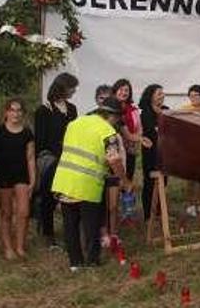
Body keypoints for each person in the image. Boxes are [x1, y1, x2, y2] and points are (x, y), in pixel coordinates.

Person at [52, 97, 128, 271]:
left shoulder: (75, 123)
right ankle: (92, 260)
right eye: (117, 119)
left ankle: (75, 263)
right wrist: (125, 180)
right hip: (88, 183)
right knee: (91, 224)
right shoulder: (108, 131)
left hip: (65, 180)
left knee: (70, 224)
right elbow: (115, 160)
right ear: (113, 116)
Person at [34, 73, 79, 248]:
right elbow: (41, 140)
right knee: (48, 197)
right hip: (51, 159)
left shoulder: (72, 109)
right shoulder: (44, 110)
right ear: (62, 87)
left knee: (68, 196)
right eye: (71, 87)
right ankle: (48, 233)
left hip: (69, 157)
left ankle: (70, 231)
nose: (74, 91)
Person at [0, 99, 35, 260]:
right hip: (3, 175)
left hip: (22, 175)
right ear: (6, 112)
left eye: (19, 110)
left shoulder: (27, 133)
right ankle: (8, 247)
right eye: (12, 110)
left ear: (22, 113)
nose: (15, 113)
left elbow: (30, 158)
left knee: (23, 212)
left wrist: (33, 179)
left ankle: (20, 246)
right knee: (6, 213)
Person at [107, 79, 140, 239]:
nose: (124, 92)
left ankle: (126, 215)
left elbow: (135, 130)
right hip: (112, 154)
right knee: (116, 183)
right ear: (115, 91)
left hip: (129, 152)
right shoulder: (108, 110)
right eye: (121, 89)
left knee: (126, 182)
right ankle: (110, 223)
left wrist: (139, 139)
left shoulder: (132, 110)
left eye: (127, 90)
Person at [178, 85, 200, 215]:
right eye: (191, 96)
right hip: (190, 148)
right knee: (191, 178)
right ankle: (190, 204)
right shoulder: (184, 110)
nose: (193, 98)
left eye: (196, 95)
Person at [138, 84, 165, 224]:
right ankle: (148, 214)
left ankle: (161, 212)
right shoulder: (146, 112)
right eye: (159, 93)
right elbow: (151, 131)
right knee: (150, 182)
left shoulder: (166, 110)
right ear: (151, 96)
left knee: (163, 182)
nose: (162, 96)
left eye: (162, 93)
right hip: (151, 152)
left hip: (165, 152)